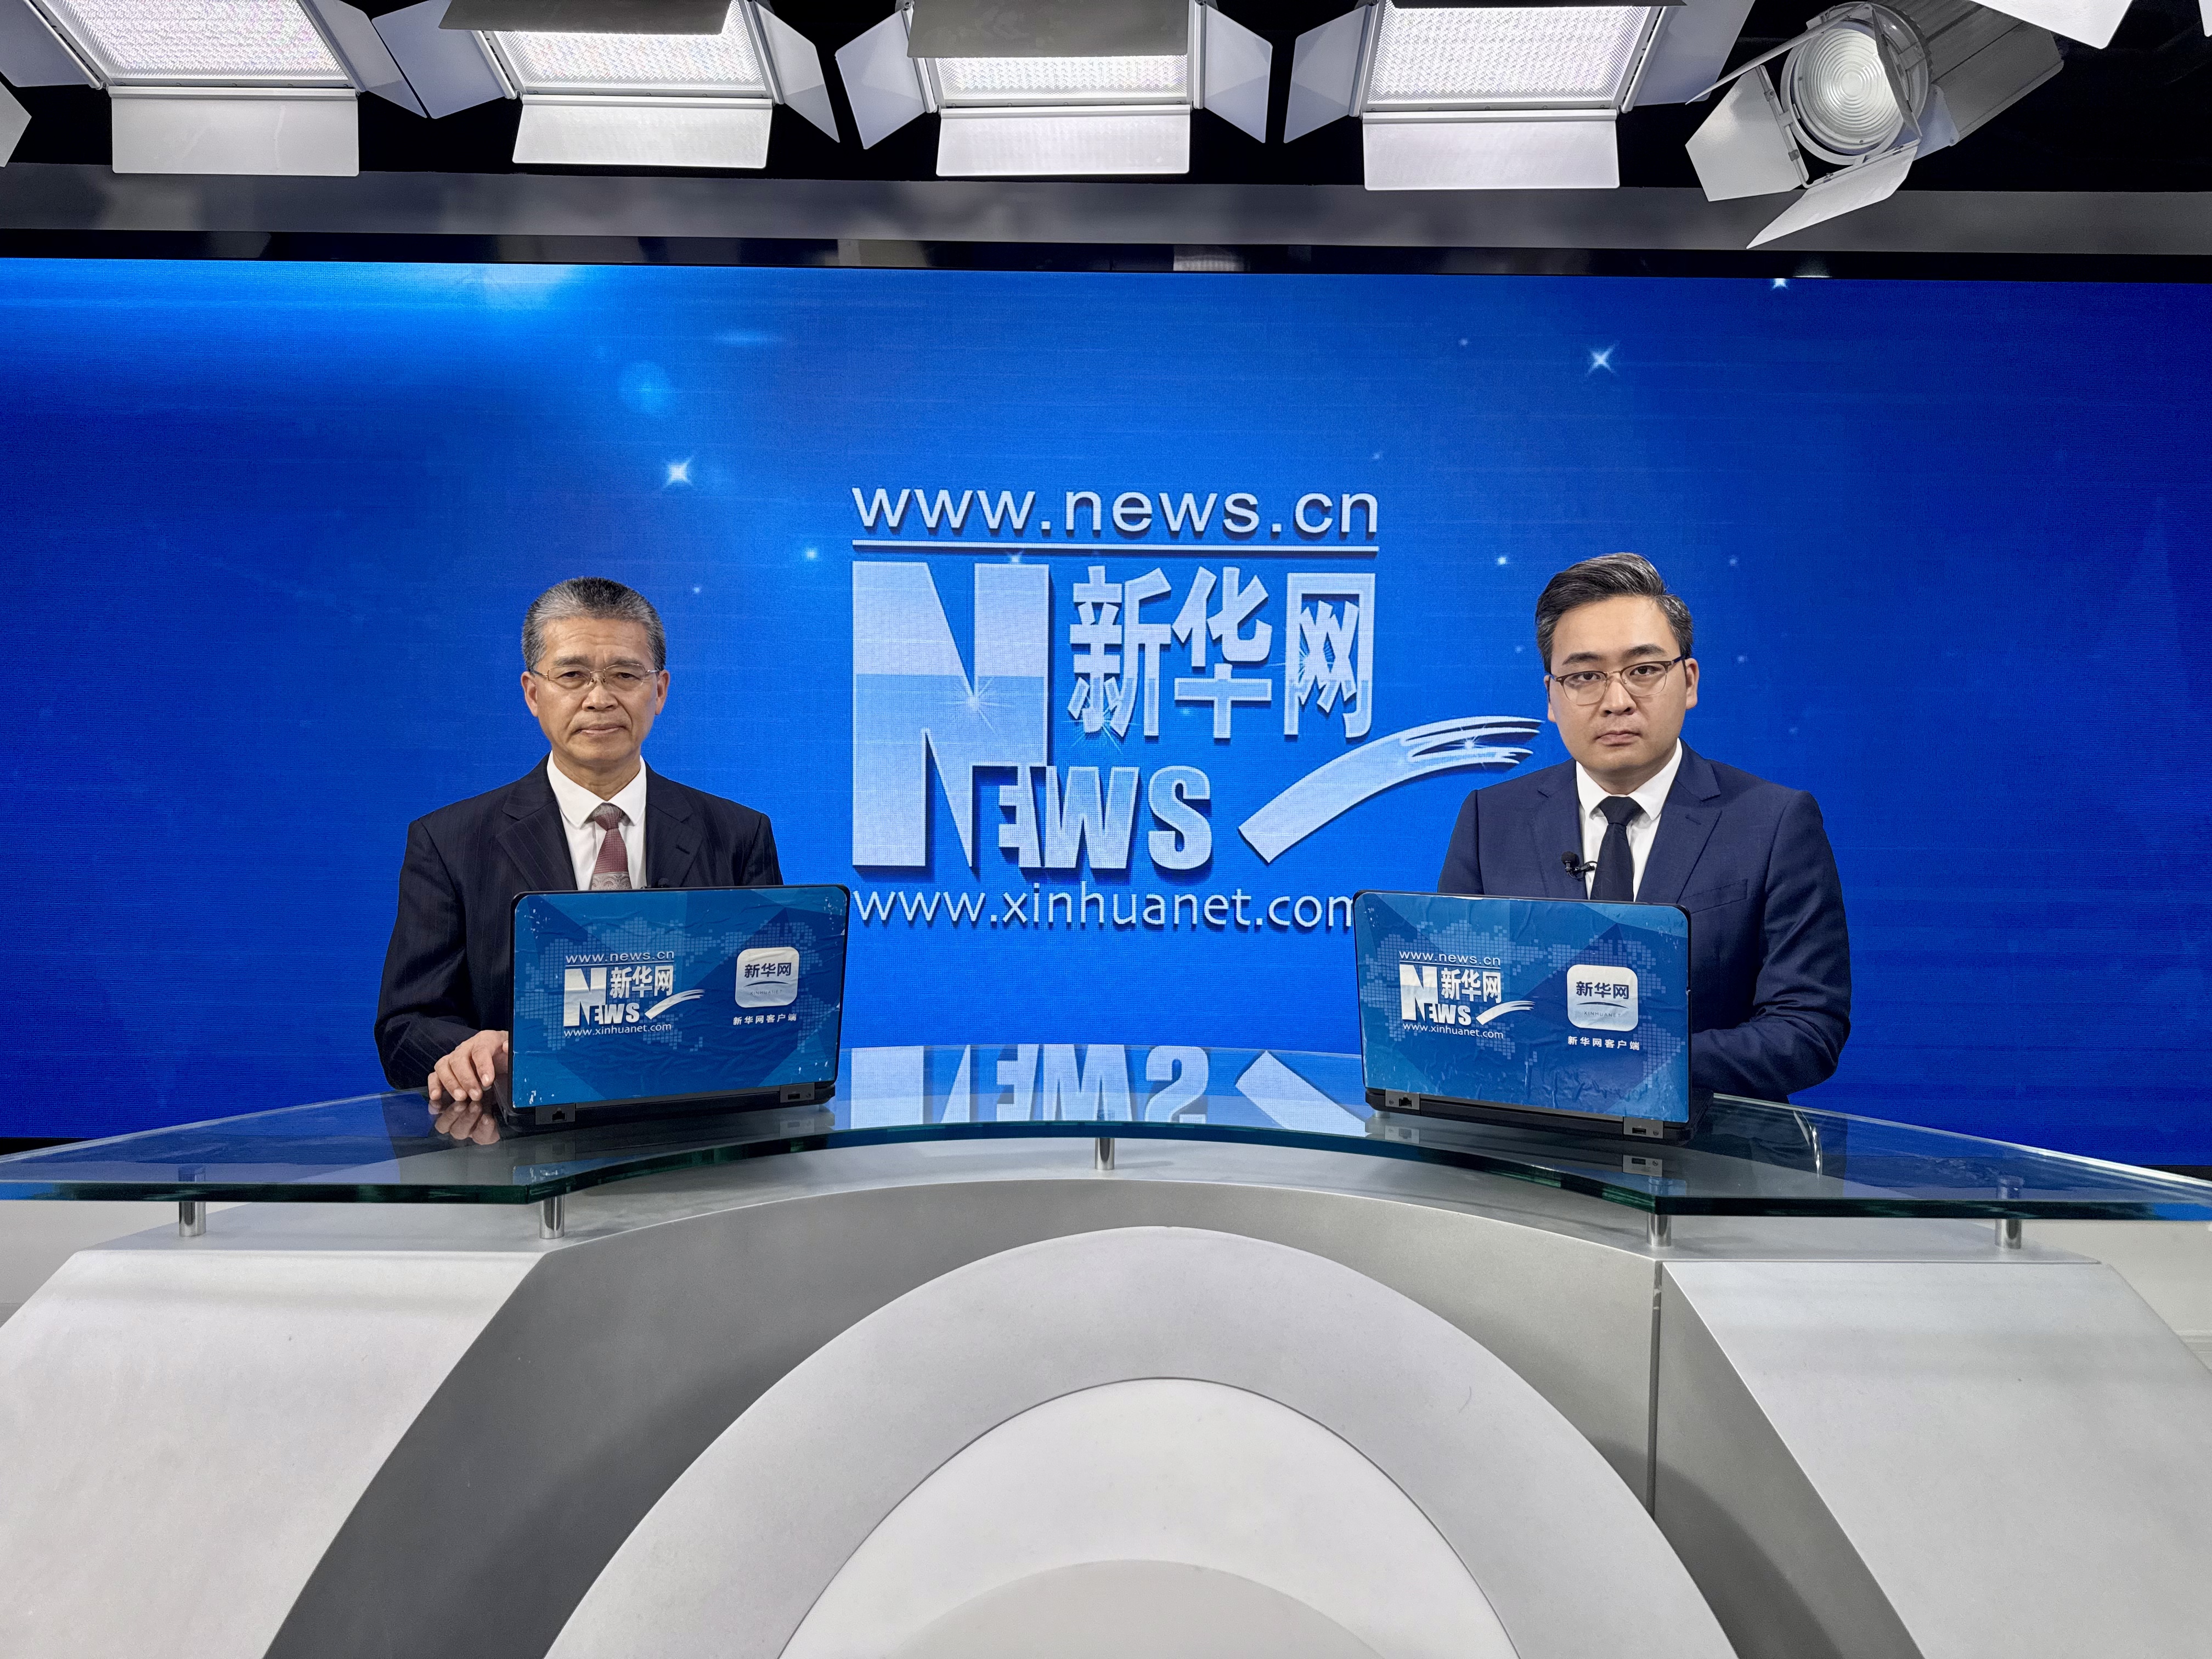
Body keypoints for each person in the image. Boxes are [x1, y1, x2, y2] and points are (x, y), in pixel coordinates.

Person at [375, 578, 781, 1143]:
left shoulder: (737, 834)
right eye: (572, 676)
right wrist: (470, 1052)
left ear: (660, 690)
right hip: (520, 1148)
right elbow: (404, 1030)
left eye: (625, 675)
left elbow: (770, 1012)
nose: (599, 698)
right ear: (532, 693)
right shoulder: (450, 842)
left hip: (698, 1142)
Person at [1437, 553, 1849, 1102]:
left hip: (1706, 1142)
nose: (1617, 702)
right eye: (1585, 677)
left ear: (1689, 681)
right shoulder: (1491, 819)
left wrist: (1631, 1060)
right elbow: (1456, 1007)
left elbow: (1808, 1029)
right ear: (1552, 697)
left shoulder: (1773, 822)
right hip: (1527, 1138)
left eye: (1644, 671)